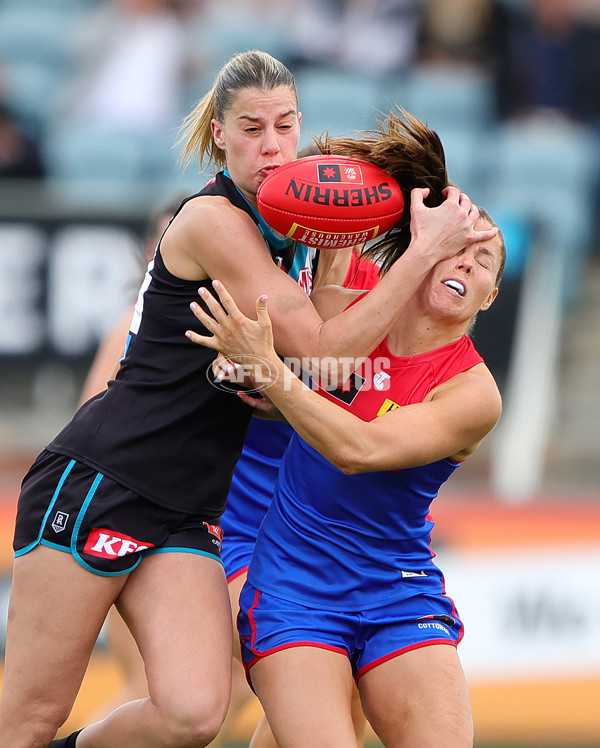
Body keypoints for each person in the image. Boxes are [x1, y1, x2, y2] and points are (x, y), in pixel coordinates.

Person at [0, 49, 497, 748]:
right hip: (102, 481)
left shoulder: (292, 233)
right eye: (253, 129)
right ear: (219, 137)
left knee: (194, 714)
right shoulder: (216, 221)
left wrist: (273, 375)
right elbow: (328, 351)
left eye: (286, 126)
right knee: (26, 718)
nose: (272, 146)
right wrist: (422, 252)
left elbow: (315, 365)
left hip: (190, 507)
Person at [188, 195, 505, 748]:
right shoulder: (346, 316)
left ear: (491, 295)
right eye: (458, 249)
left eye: (483, 263)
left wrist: (272, 377)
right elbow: (285, 357)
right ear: (425, 256)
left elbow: (356, 449)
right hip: (294, 584)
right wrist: (248, 374)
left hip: (398, 588)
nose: (466, 265)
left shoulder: (474, 394)